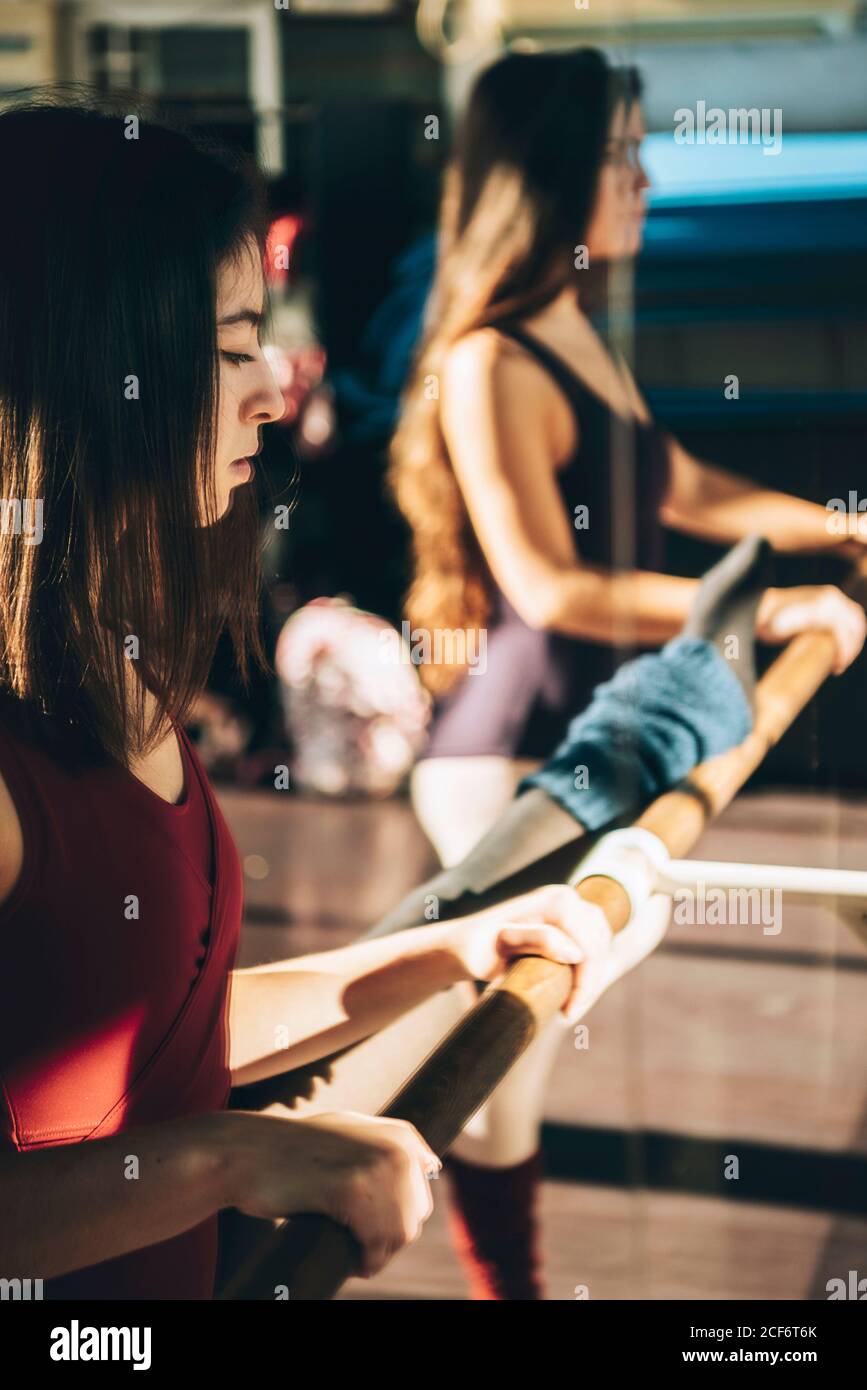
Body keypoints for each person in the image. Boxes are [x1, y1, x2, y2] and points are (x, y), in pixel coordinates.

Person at [0, 95, 635, 1300]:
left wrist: (444, 953)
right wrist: (227, 1158)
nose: (273, 395)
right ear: (98, 361)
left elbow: (168, 1044)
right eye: (233, 347)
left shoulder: (116, 678)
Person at [388, 47, 867, 1298]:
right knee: (499, 1081)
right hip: (514, 764)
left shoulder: (572, 336)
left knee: (516, 1072)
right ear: (552, 177)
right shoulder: (494, 360)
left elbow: (683, 483)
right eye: (621, 154)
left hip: (587, 749)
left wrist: (828, 524)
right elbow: (547, 584)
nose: (646, 177)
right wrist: (764, 615)